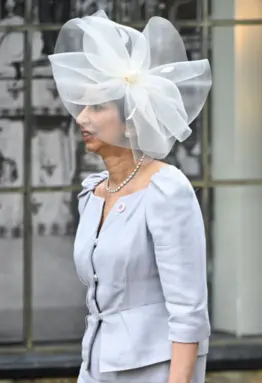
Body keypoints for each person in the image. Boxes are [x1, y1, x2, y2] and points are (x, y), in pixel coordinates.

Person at [48, 10, 212, 383]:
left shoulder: (166, 189)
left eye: (97, 107)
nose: (81, 118)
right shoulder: (93, 192)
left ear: (131, 118)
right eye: (82, 106)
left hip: (152, 372)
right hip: (95, 367)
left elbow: (189, 311)